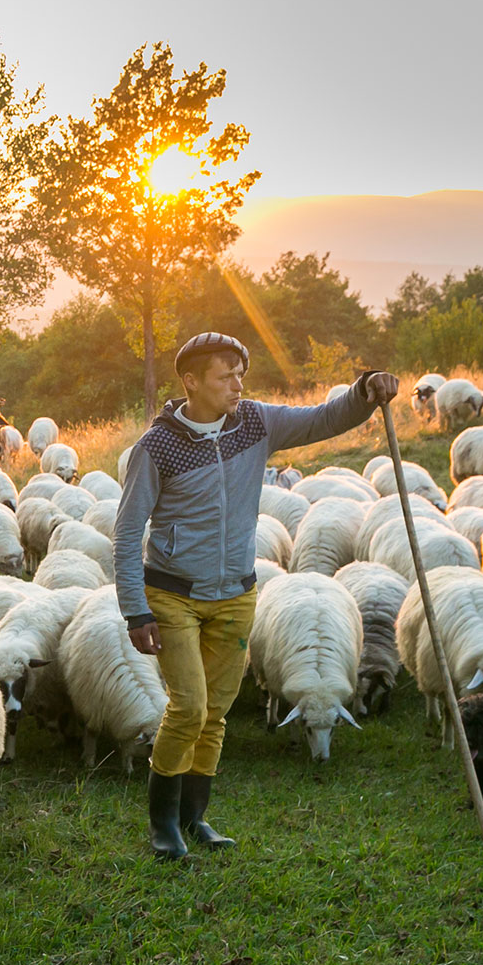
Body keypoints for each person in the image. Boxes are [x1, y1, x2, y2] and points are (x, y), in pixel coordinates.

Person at [111, 333, 398, 859]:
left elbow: (321, 418)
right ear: (192, 382)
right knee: (189, 707)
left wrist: (363, 393)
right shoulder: (157, 448)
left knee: (216, 712)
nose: (237, 384)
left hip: (237, 594)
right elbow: (128, 532)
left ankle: (195, 817)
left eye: (240, 373)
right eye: (225, 375)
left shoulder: (255, 422)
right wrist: (136, 608)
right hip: (173, 594)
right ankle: (163, 826)